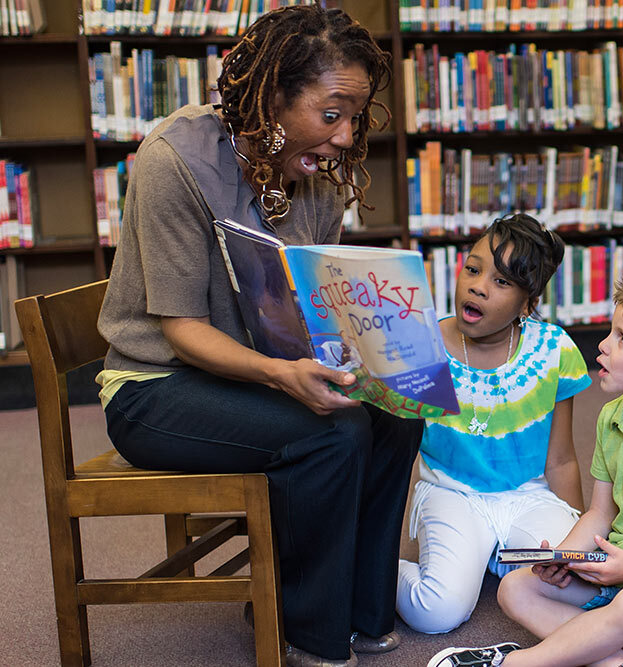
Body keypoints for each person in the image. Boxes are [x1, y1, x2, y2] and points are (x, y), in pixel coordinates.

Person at [95, 6, 422, 666]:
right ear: (274, 97)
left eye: (355, 115)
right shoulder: (175, 161)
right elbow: (182, 331)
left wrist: (373, 347)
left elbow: (313, 306)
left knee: (396, 414)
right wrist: (285, 377)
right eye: (332, 113)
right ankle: (306, 628)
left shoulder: (317, 182)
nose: (345, 135)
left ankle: (361, 609)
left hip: (258, 373)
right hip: (155, 386)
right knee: (332, 434)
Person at [427, 268, 623, 667]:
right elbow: (601, 513)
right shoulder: (611, 416)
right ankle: (617, 664)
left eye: (622, 338)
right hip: (622, 552)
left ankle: (517, 663)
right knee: (515, 589)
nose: (604, 346)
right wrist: (565, 557)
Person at [396, 213, 591, 634]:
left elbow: (560, 460)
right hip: (452, 492)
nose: (478, 285)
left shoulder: (555, 349)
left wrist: (577, 541)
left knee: (581, 585)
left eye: (502, 282)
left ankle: (492, 557)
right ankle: (377, 570)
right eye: (472, 268)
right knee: (437, 613)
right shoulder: (421, 343)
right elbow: (395, 447)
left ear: (527, 301)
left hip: (530, 495)